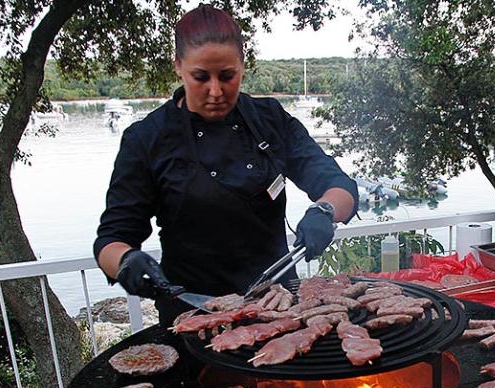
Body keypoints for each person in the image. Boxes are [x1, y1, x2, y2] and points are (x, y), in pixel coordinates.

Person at [94, 4, 358, 325]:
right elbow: (111, 239)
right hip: (193, 314)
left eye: (227, 76)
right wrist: (125, 261)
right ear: (178, 66)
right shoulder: (147, 138)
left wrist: (324, 211)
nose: (216, 91)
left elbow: (339, 186)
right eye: (200, 77)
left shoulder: (270, 119)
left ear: (243, 67)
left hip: (279, 308)